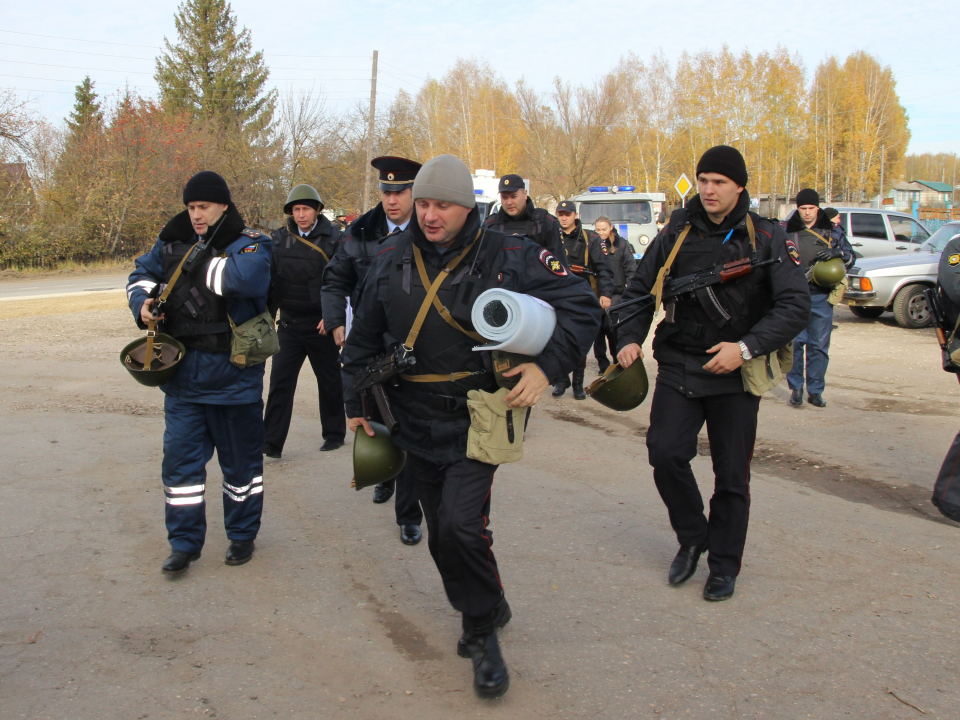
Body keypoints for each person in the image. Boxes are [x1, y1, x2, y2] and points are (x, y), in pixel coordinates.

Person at [341, 154, 601, 697]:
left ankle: (480, 631)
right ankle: (490, 602)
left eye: (445, 205)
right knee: (442, 536)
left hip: (480, 415)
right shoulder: (390, 256)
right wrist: (354, 406)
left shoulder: (510, 252)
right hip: (412, 418)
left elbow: (581, 305)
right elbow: (363, 339)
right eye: (426, 203)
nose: (431, 215)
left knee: (462, 526)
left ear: (467, 207)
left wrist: (547, 364)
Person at [615, 146, 809, 601]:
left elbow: (795, 305)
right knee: (664, 453)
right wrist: (628, 337)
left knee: (731, 477)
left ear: (739, 185)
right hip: (680, 363)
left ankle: (723, 565)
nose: (708, 189)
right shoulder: (678, 231)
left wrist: (744, 348)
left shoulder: (767, 236)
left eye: (718, 181)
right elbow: (640, 290)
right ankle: (692, 535)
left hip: (734, 375)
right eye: (703, 179)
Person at [125, 171, 272, 574]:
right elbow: (140, 275)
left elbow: (245, 280)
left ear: (223, 206)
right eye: (190, 207)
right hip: (183, 381)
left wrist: (191, 259)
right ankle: (184, 544)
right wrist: (142, 303)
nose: (196, 215)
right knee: (181, 471)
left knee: (241, 469)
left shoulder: (251, 244)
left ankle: (242, 535)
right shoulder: (171, 242)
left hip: (235, 381)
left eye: (203, 206)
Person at [320, 155, 425, 544]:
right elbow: (334, 281)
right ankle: (384, 475)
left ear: (415, 192)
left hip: (411, 345)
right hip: (369, 345)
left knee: (410, 427)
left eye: (400, 192)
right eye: (386, 191)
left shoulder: (429, 231)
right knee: (375, 419)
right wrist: (335, 321)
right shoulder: (360, 233)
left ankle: (408, 514)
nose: (392, 199)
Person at [262, 185, 345, 460]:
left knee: (330, 382)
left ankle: (334, 434)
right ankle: (272, 442)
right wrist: (265, 317)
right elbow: (272, 282)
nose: (301, 215)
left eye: (306, 209)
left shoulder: (335, 239)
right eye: (296, 210)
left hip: (321, 324)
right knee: (280, 383)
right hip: (289, 324)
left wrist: (332, 317)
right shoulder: (277, 239)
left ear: (317, 210)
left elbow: (342, 280)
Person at [785, 189, 854, 408]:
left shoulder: (831, 231)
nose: (807, 213)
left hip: (821, 296)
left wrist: (837, 253)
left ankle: (815, 391)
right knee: (795, 344)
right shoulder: (786, 231)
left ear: (818, 208)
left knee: (819, 346)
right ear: (797, 208)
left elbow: (850, 256)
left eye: (811, 208)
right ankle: (796, 388)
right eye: (803, 208)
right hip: (795, 297)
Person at [553, 200, 614, 398]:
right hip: (558, 295)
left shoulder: (591, 238)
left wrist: (605, 293)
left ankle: (578, 384)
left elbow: (604, 269)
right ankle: (561, 380)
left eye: (567, 214)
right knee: (557, 340)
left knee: (579, 341)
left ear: (575, 215)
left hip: (583, 296)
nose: (563, 217)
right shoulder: (552, 235)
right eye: (560, 214)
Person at [483, 174, 566, 262]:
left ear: (525, 194)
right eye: (504, 197)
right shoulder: (490, 226)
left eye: (513, 196)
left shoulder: (545, 223)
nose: (509, 202)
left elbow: (560, 266)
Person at [594, 215, 637, 373]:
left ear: (610, 228)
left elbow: (631, 270)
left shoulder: (622, 245)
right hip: (597, 295)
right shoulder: (593, 244)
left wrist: (629, 294)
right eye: (597, 230)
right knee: (597, 332)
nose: (601, 233)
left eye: (604, 229)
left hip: (617, 295)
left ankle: (616, 359)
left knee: (612, 329)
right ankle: (602, 365)